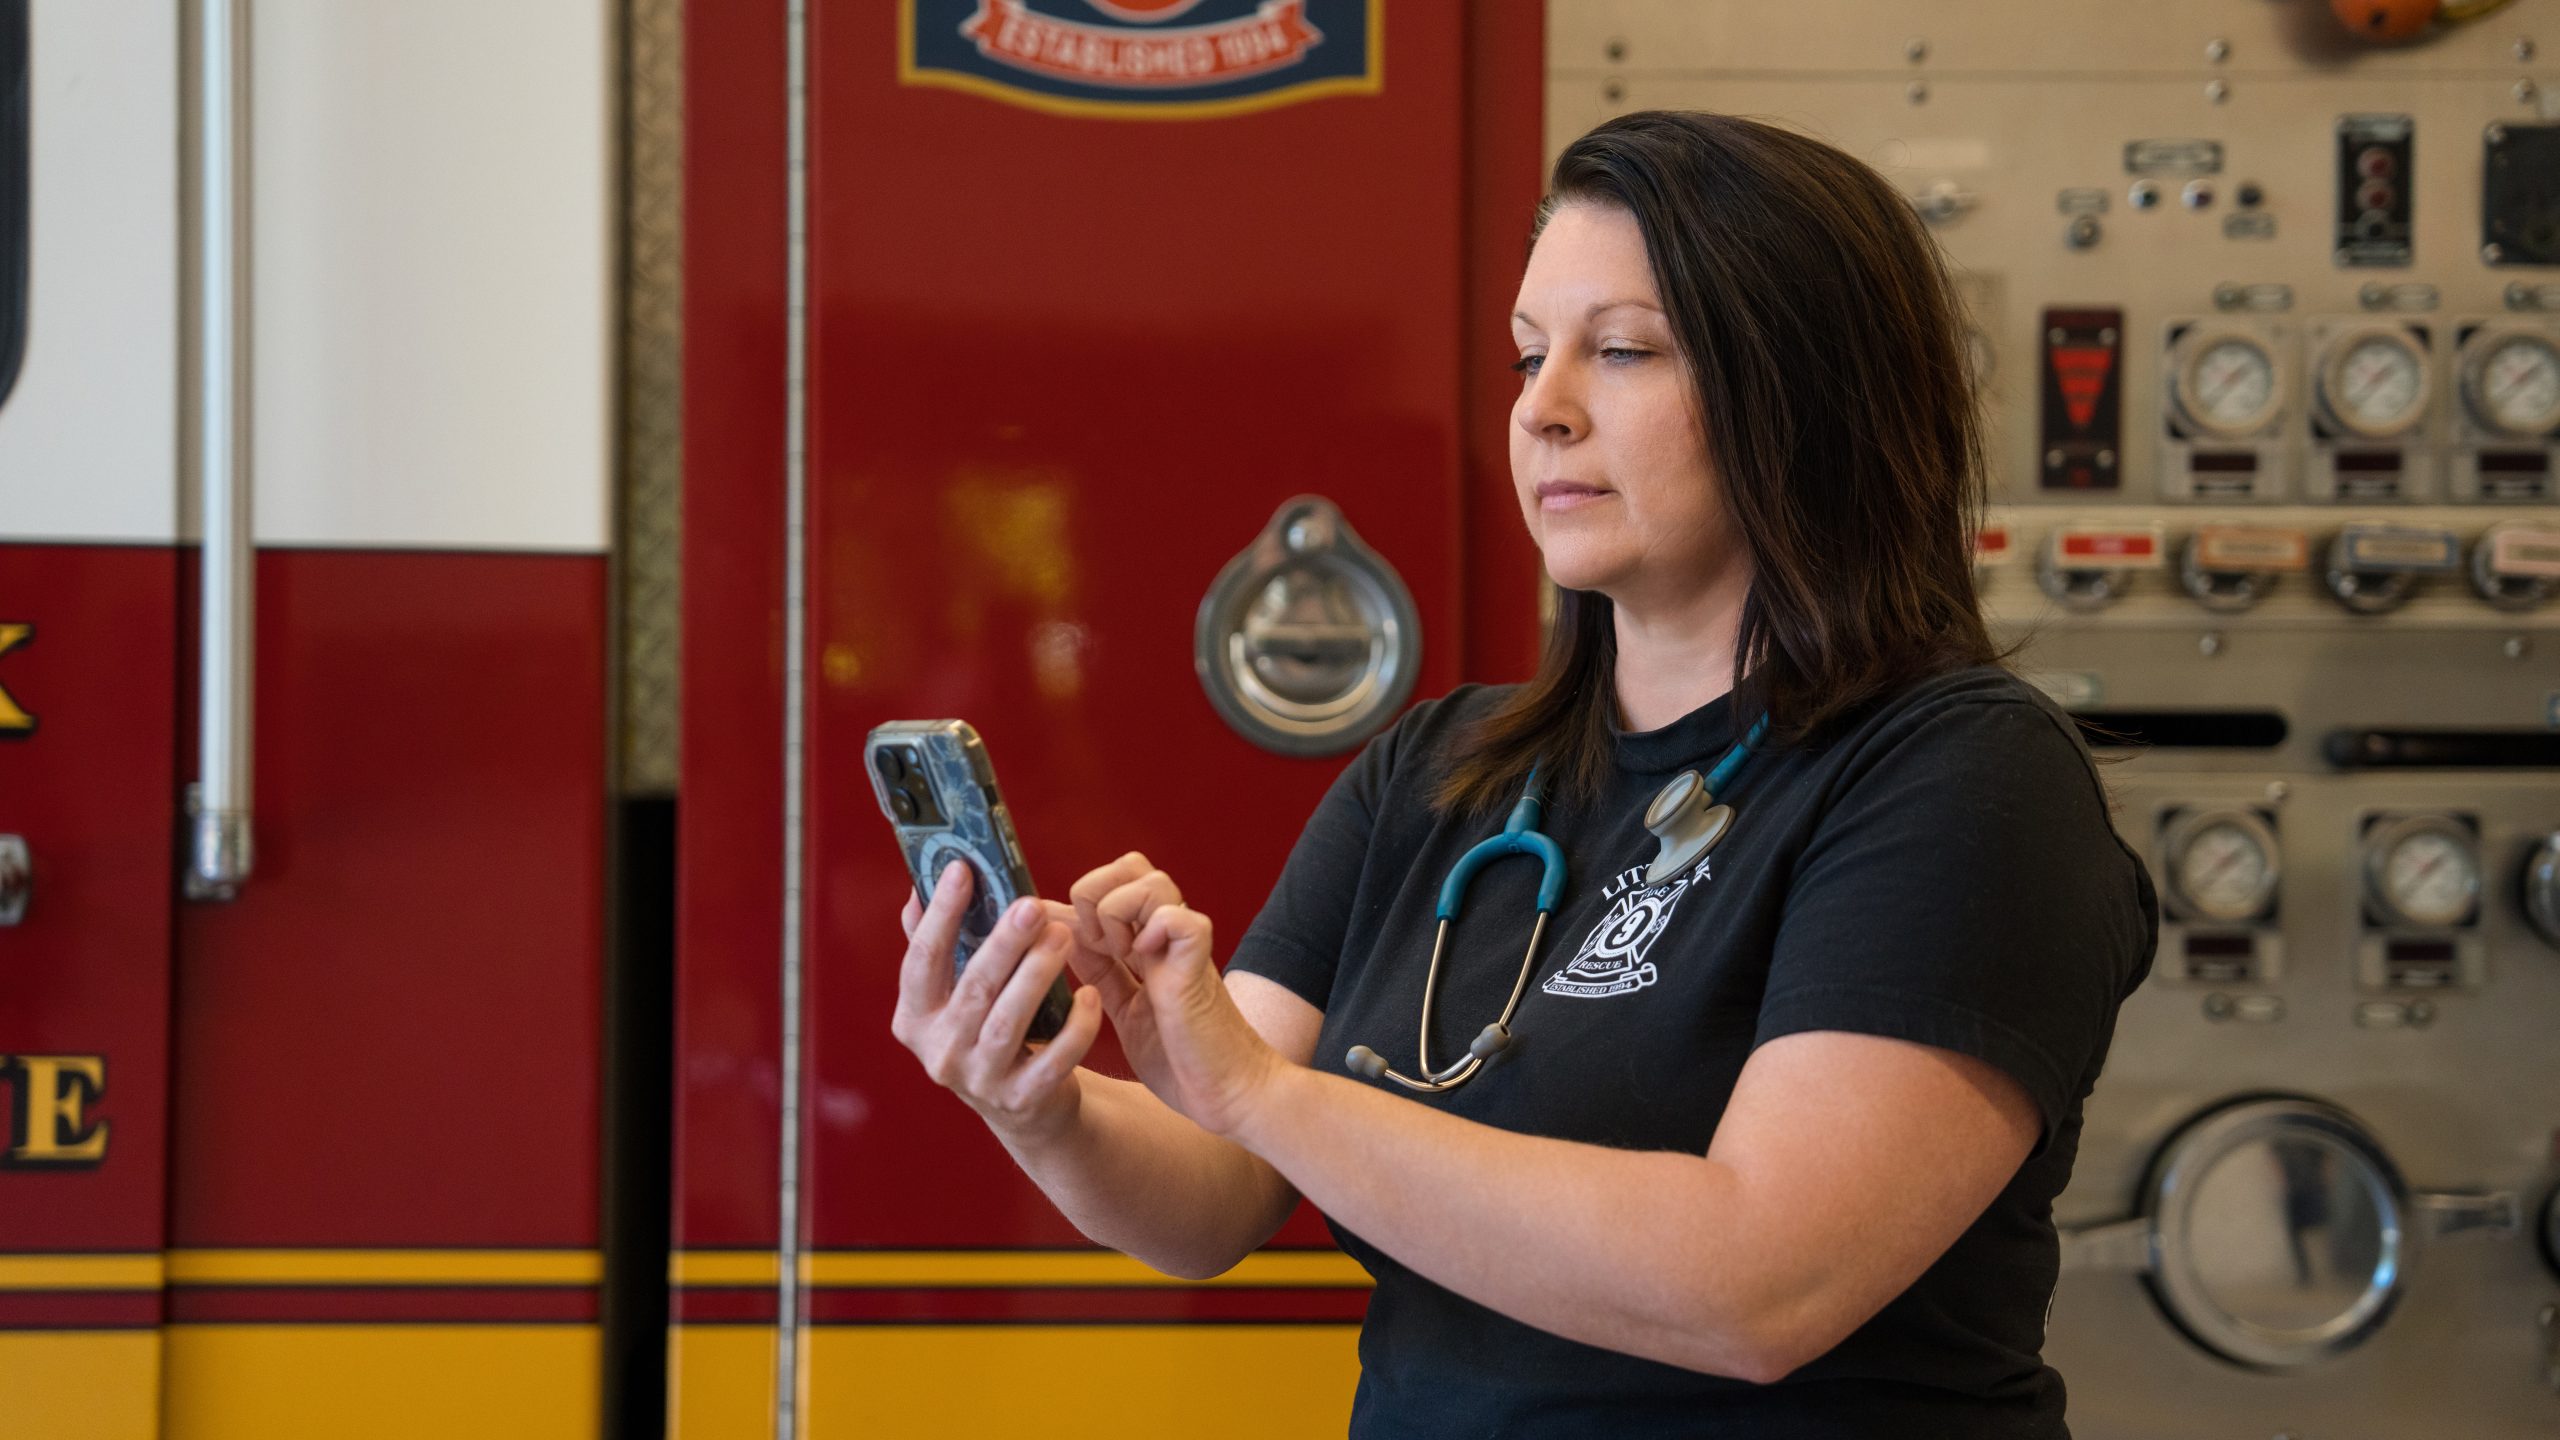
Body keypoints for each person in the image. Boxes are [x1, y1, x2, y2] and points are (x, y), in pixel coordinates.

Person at [890, 110, 2157, 1437]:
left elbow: (1759, 1286)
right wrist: (1038, 1105)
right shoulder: (1436, 770)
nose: (1542, 411)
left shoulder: (1960, 780)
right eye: (1526, 355)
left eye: (1620, 352)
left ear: (1804, 393)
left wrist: (1259, 1092)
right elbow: (1208, 1196)